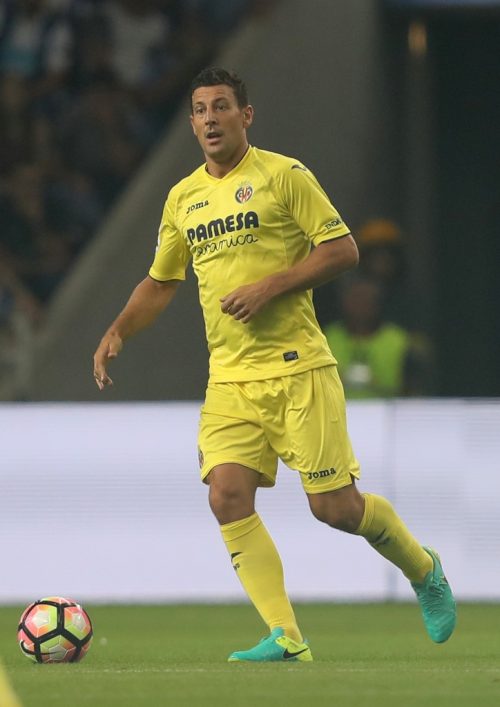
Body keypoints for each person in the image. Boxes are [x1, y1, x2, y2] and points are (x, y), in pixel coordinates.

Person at [93, 67, 456, 662]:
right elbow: (160, 282)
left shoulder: (284, 176)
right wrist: (118, 330)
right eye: (200, 110)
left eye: (221, 106)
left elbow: (343, 250)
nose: (210, 118)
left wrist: (270, 286)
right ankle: (287, 637)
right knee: (226, 495)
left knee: (335, 509)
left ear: (246, 115)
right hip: (230, 378)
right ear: (192, 124)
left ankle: (424, 569)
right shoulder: (182, 198)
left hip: (297, 369)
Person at [323, 276, 435, 398]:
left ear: (377, 304)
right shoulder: (326, 338)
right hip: (338, 408)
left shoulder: (399, 341)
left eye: (366, 300)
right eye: (355, 299)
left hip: (390, 408)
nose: (360, 306)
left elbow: (414, 391)